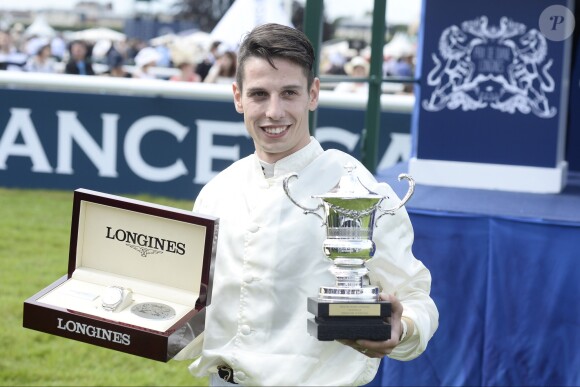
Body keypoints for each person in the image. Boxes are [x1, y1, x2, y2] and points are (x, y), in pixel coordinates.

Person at [176, 23, 438, 386]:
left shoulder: (354, 187)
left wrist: (403, 326)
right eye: (258, 94)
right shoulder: (218, 191)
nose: (274, 111)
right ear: (238, 97)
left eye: (289, 93)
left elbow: (416, 299)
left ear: (313, 94)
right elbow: (196, 308)